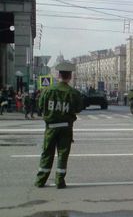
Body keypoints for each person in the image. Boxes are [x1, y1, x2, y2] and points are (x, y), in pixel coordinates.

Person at [34, 61, 83, 189]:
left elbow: (40, 106)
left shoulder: (47, 91)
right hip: (66, 128)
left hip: (50, 128)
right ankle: (60, 182)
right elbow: (78, 108)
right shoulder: (73, 93)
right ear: (70, 76)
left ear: (58, 75)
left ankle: (40, 181)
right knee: (63, 154)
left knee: (47, 153)